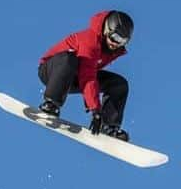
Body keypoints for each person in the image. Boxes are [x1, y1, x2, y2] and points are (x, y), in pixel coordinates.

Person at [37, 10, 134, 141]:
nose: (116, 43)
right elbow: (87, 76)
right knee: (69, 58)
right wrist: (95, 110)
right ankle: (51, 103)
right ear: (107, 30)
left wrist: (99, 114)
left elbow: (89, 75)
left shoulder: (111, 48)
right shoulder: (90, 40)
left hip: (75, 77)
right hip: (52, 72)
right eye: (115, 37)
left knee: (118, 84)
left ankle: (109, 127)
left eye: (122, 41)